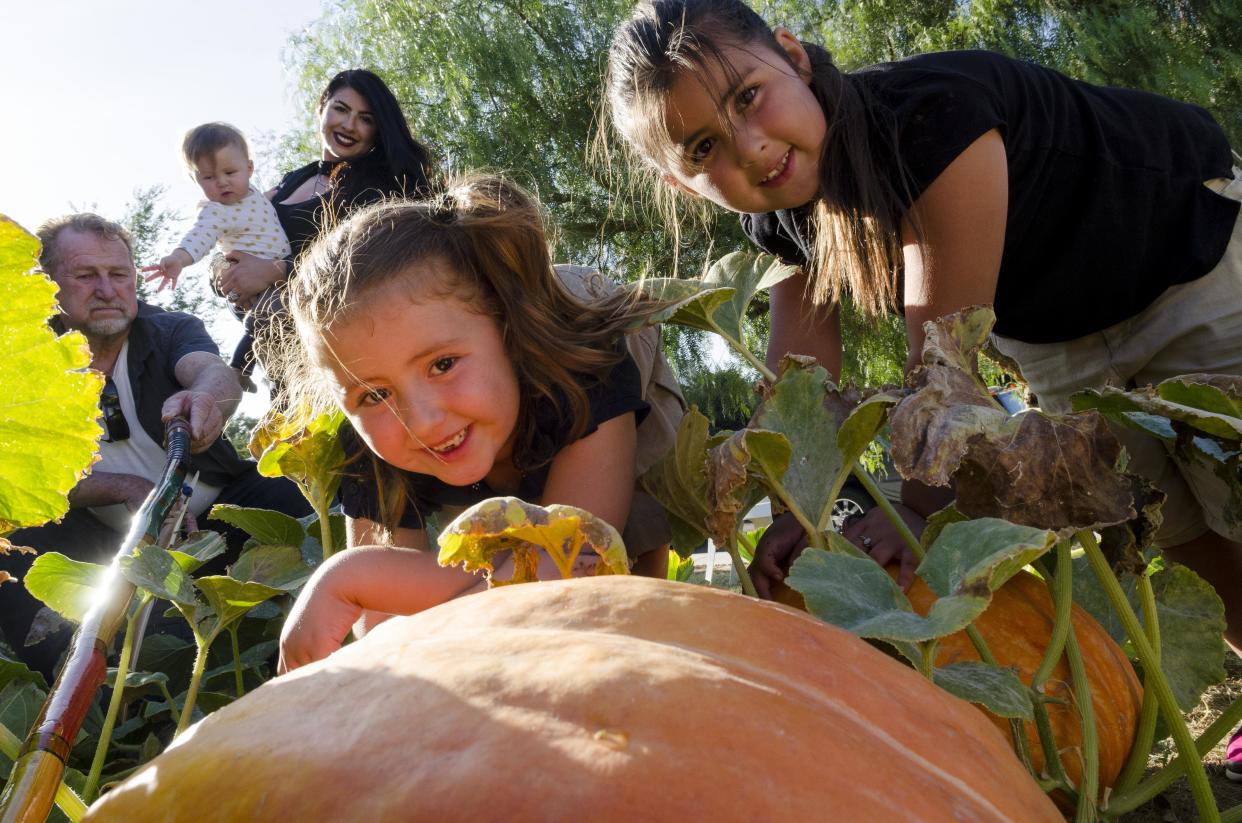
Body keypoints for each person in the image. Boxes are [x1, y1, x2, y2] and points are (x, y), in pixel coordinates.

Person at [603, 0, 1242, 652]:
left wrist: (916, 512)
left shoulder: (928, 120)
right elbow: (802, 384)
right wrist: (803, 512)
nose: (751, 146)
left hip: (1188, 257)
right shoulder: (779, 224)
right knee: (1189, 542)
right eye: (704, 146)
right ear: (679, 184)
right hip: (1057, 340)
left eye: (748, 97)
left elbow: (941, 364)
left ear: (793, 57)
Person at [273, 175, 684, 672]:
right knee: (485, 574)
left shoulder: (583, 361)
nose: (422, 422)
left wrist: (350, 574)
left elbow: (562, 570)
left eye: (443, 364)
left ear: (506, 326)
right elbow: (386, 636)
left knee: (623, 577)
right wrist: (372, 591)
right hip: (509, 437)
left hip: (589, 380)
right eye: (376, 395)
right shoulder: (366, 446)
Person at [0, 214, 312, 682]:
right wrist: (124, 487)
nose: (107, 289)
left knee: (300, 498)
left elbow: (212, 372)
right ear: (49, 285)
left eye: (119, 274)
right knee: (11, 540)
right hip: (104, 545)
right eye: (86, 276)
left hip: (218, 515)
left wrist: (207, 398)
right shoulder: (25, 356)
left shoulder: (167, 328)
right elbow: (20, 474)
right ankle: (72, 701)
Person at [215, 69, 436, 381]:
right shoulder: (296, 178)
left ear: (377, 131)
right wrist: (228, 269)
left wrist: (276, 271)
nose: (349, 125)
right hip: (281, 369)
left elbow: (365, 266)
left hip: (340, 363)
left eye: (366, 118)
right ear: (322, 107)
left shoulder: (376, 189)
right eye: (341, 109)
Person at [142, 122, 291, 383]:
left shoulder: (253, 195)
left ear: (249, 168)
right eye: (209, 177)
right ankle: (238, 369)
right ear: (195, 179)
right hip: (251, 284)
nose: (222, 182)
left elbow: (257, 209)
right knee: (264, 319)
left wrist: (274, 194)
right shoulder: (215, 211)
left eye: (230, 172)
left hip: (275, 274)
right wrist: (178, 258)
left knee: (278, 319)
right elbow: (199, 236)